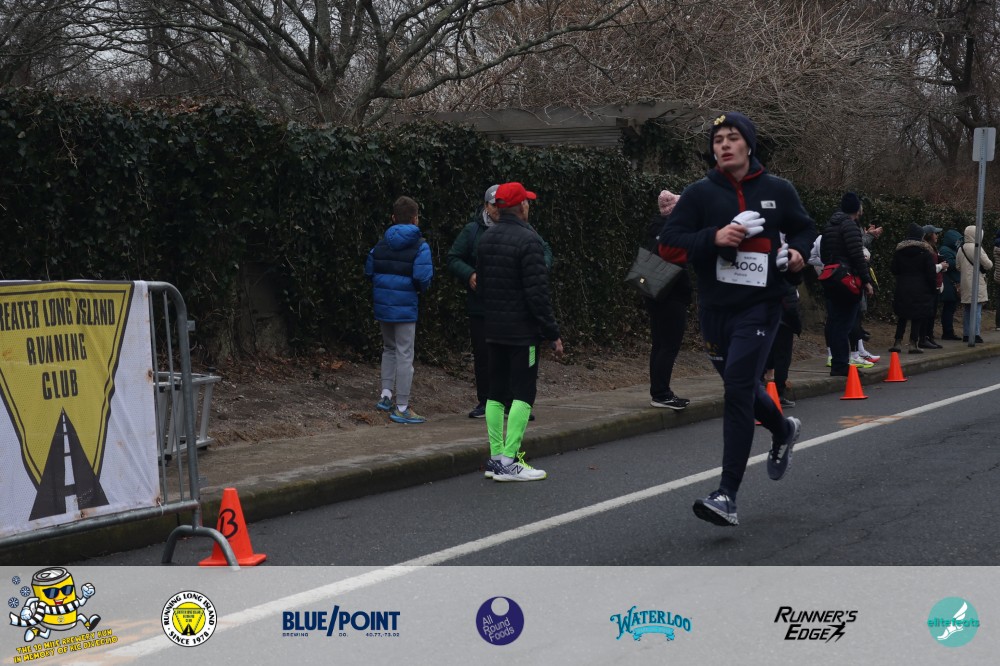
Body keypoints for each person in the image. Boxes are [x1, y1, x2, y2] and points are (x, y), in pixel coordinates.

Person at [659, 111, 816, 526]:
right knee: (740, 386)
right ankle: (782, 429)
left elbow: (804, 231)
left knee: (738, 390)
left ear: (748, 144)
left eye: (732, 137)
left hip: (762, 306)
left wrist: (797, 254)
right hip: (715, 310)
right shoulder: (700, 194)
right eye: (718, 140)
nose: (725, 145)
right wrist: (714, 237)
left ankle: (726, 495)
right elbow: (668, 246)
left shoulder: (778, 190)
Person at [477, 181, 563, 482]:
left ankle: (495, 458)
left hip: (493, 329)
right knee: (524, 393)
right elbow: (537, 294)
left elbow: (482, 287)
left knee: (495, 393)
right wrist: (552, 332)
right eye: (527, 201)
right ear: (520, 206)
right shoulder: (530, 240)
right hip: (522, 332)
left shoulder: (486, 238)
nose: (529, 205)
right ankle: (510, 461)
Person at [447, 185, 552, 418]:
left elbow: (545, 250)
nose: (496, 209)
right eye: (492, 205)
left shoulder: (525, 230)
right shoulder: (474, 231)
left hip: (512, 309)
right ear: (485, 206)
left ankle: (514, 402)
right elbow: (453, 257)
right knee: (485, 356)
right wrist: (469, 274)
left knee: (515, 358)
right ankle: (487, 400)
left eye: (499, 204)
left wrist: (536, 267)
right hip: (483, 306)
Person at [364, 196, 433, 424]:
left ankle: (385, 395)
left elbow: (369, 270)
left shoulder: (380, 244)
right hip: (405, 307)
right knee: (405, 354)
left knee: (389, 348)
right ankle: (402, 406)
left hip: (383, 305)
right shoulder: (420, 245)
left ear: (393, 218)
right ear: (415, 219)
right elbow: (423, 277)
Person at [645, 190, 691, 409]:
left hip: (653, 291)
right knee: (669, 345)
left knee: (659, 344)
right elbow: (680, 262)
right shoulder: (673, 233)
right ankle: (662, 393)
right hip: (672, 294)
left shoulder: (655, 228)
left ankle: (659, 391)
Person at [820, 192, 873, 377]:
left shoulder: (829, 225)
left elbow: (824, 253)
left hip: (831, 276)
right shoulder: (850, 226)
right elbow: (857, 256)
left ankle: (837, 362)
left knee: (834, 322)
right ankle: (842, 364)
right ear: (857, 209)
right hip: (847, 279)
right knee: (846, 323)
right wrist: (866, 281)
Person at [889, 223, 937, 354]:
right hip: (921, 287)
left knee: (902, 315)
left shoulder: (900, 251)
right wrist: (933, 288)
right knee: (917, 316)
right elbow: (931, 273)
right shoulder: (925, 252)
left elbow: (894, 269)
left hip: (903, 286)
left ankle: (897, 342)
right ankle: (913, 343)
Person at [957, 224, 992, 343]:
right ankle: (975, 334)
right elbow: (988, 264)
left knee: (967, 309)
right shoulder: (977, 248)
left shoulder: (961, 249)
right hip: (977, 282)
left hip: (965, 282)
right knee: (977, 309)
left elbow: (957, 266)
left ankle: (966, 334)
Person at [918, 225, 947, 349]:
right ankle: (924, 338)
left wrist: (943, 266)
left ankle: (929, 336)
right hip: (929, 285)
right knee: (927, 313)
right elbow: (927, 268)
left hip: (936, 284)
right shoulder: (925, 249)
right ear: (929, 235)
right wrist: (940, 266)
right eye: (935, 233)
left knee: (932, 313)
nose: (937, 236)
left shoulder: (934, 249)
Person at [938, 228, 963, 340]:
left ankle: (949, 332)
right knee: (948, 308)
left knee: (950, 308)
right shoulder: (945, 250)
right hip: (949, 284)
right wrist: (960, 260)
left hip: (951, 283)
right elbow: (950, 264)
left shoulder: (950, 250)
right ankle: (948, 332)